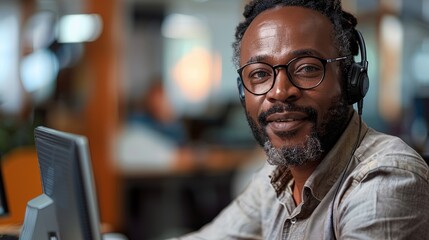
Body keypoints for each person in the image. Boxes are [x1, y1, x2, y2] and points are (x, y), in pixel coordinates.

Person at [171, 0, 429, 239]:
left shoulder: (385, 179)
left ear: (350, 80)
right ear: (243, 91)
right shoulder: (275, 176)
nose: (280, 91)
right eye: (260, 74)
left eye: (306, 68)